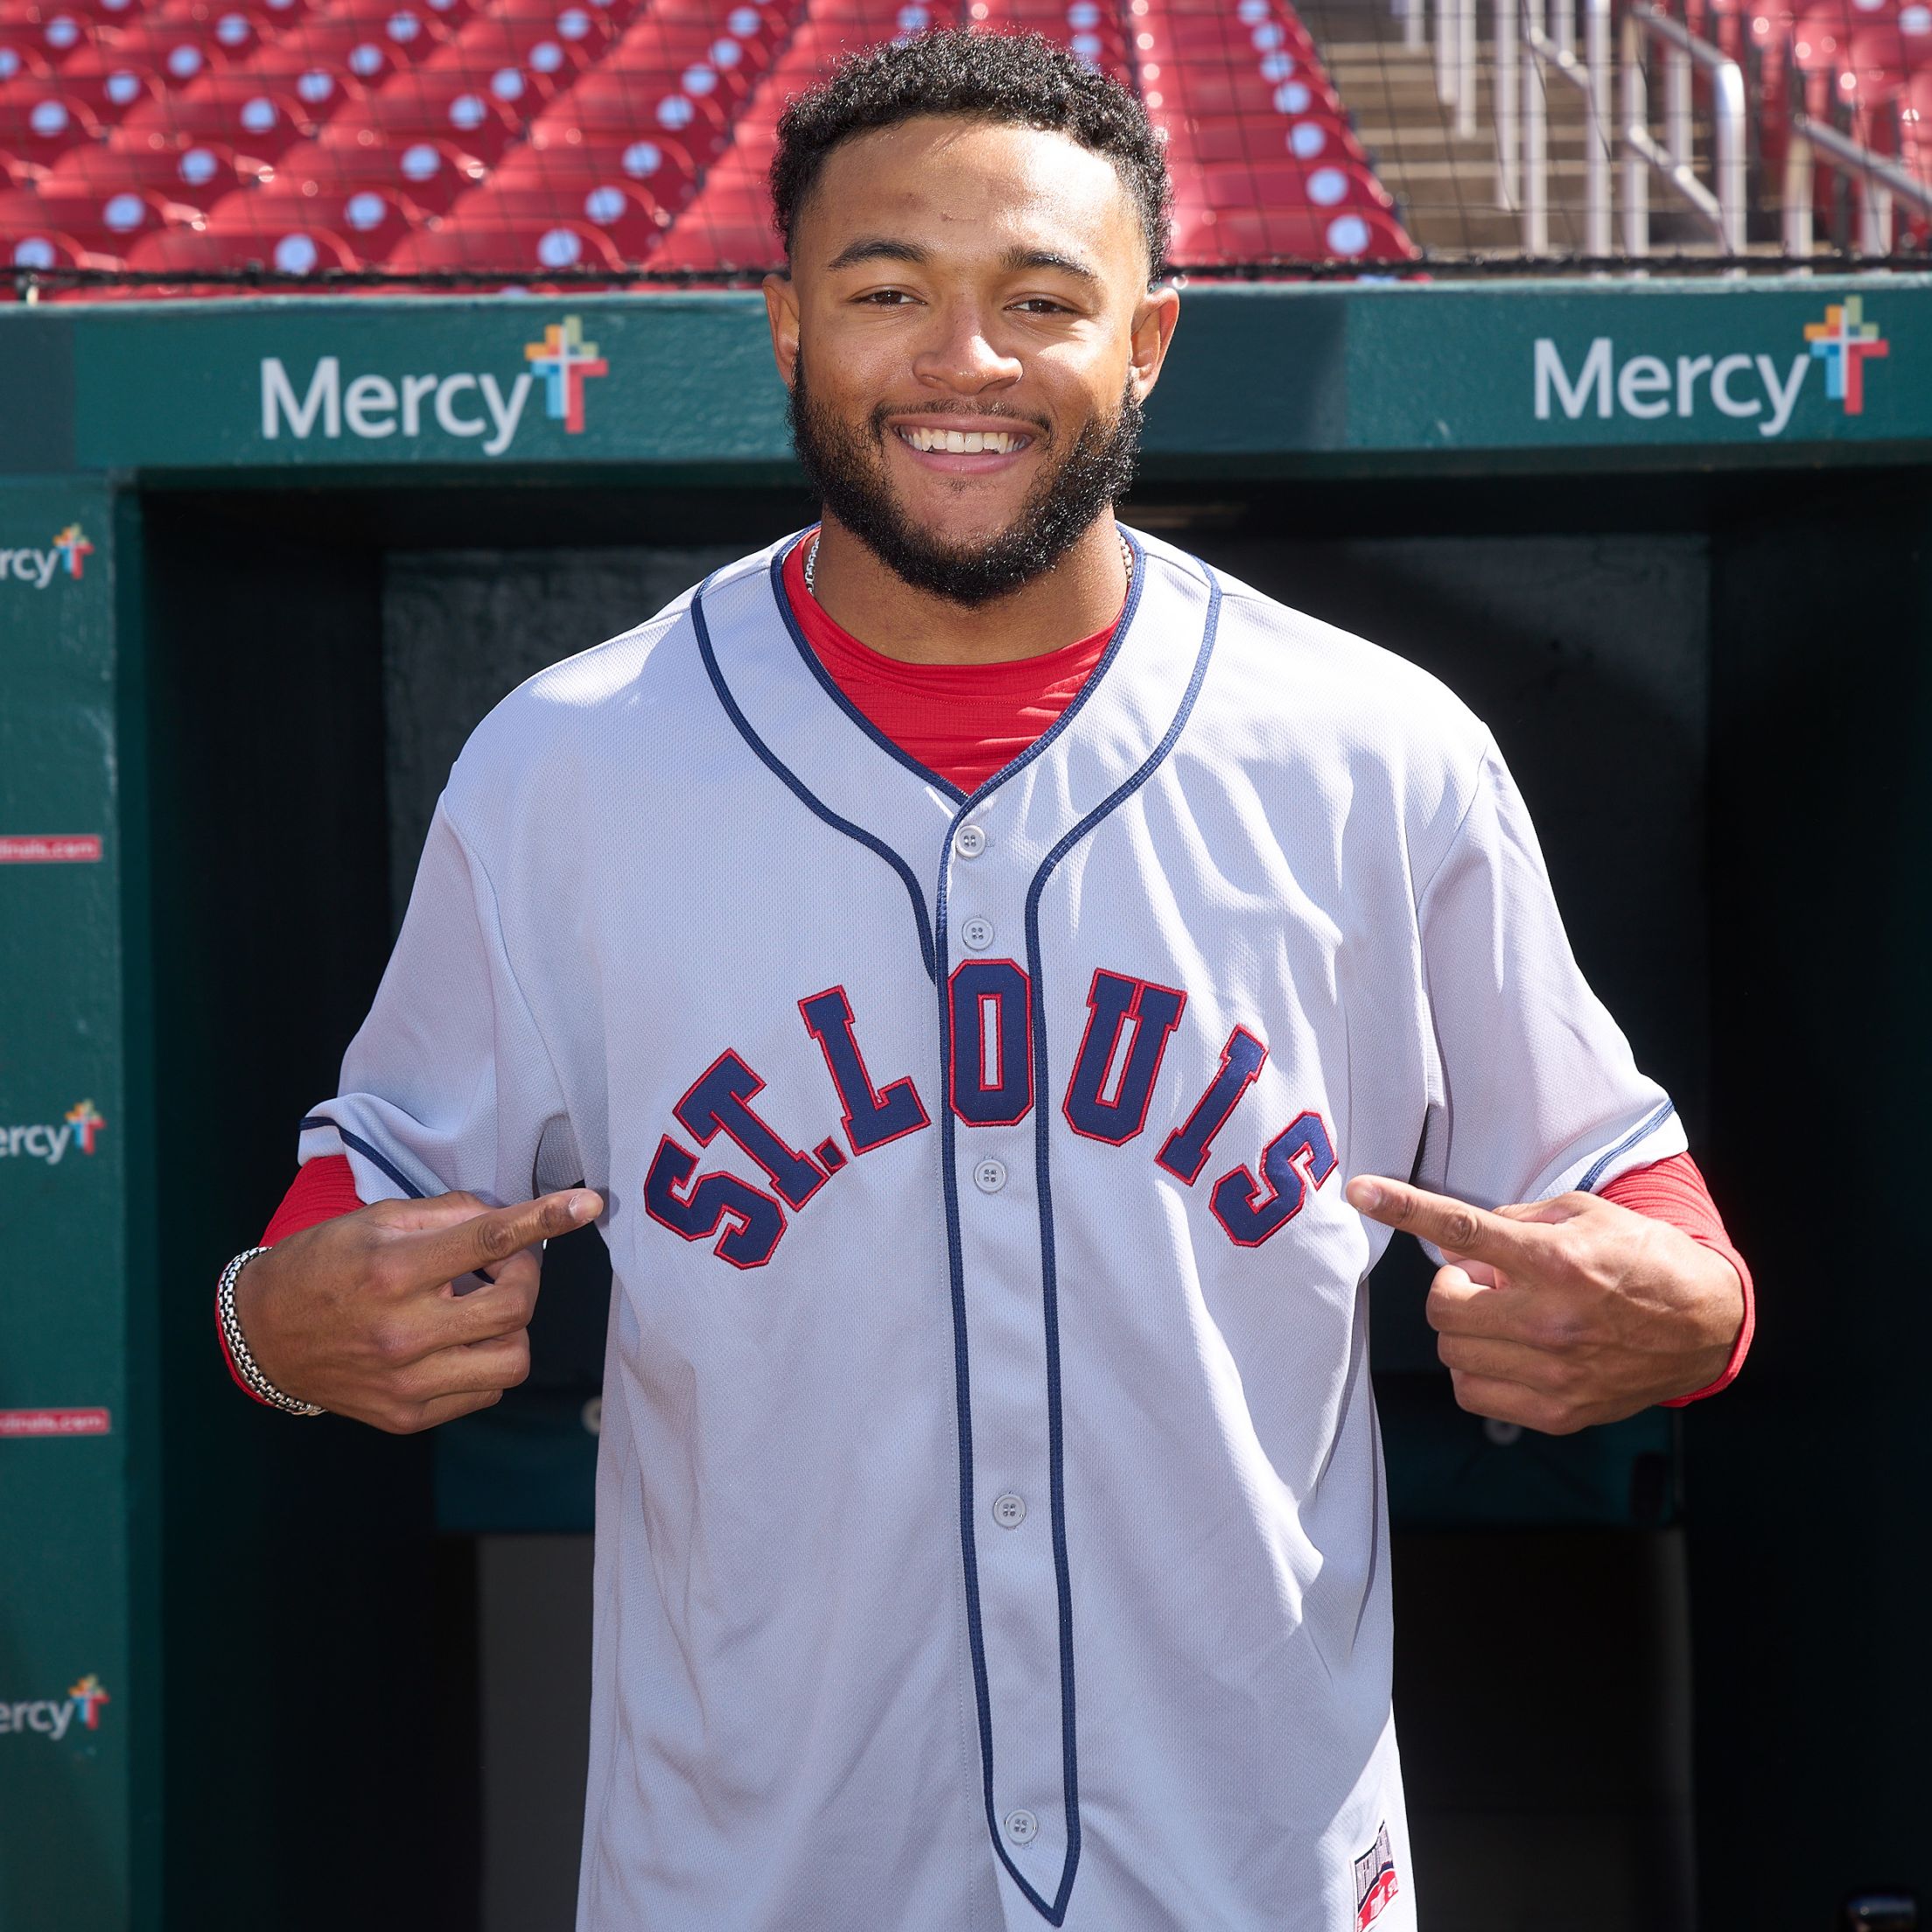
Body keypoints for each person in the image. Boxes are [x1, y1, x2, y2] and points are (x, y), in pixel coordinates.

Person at [217, 31, 1753, 1931]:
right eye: (888, 293)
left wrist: (1690, 1313)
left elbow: (1635, 1194)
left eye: (1041, 299)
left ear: (1149, 341)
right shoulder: (573, 761)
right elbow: (362, 1175)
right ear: (783, 321)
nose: (966, 362)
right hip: (757, 1867)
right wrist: (266, 1322)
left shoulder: (1372, 748)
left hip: (1248, 1858)